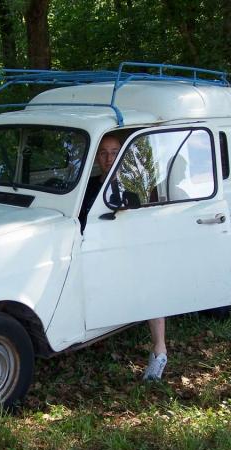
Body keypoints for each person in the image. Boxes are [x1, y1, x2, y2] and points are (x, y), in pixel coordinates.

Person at [81, 134, 168, 381]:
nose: (109, 158)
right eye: (103, 153)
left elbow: (150, 216)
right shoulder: (88, 187)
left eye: (114, 151)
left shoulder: (137, 183)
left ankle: (160, 349)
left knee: (150, 283)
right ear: (96, 157)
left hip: (133, 248)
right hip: (99, 248)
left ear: (123, 154)